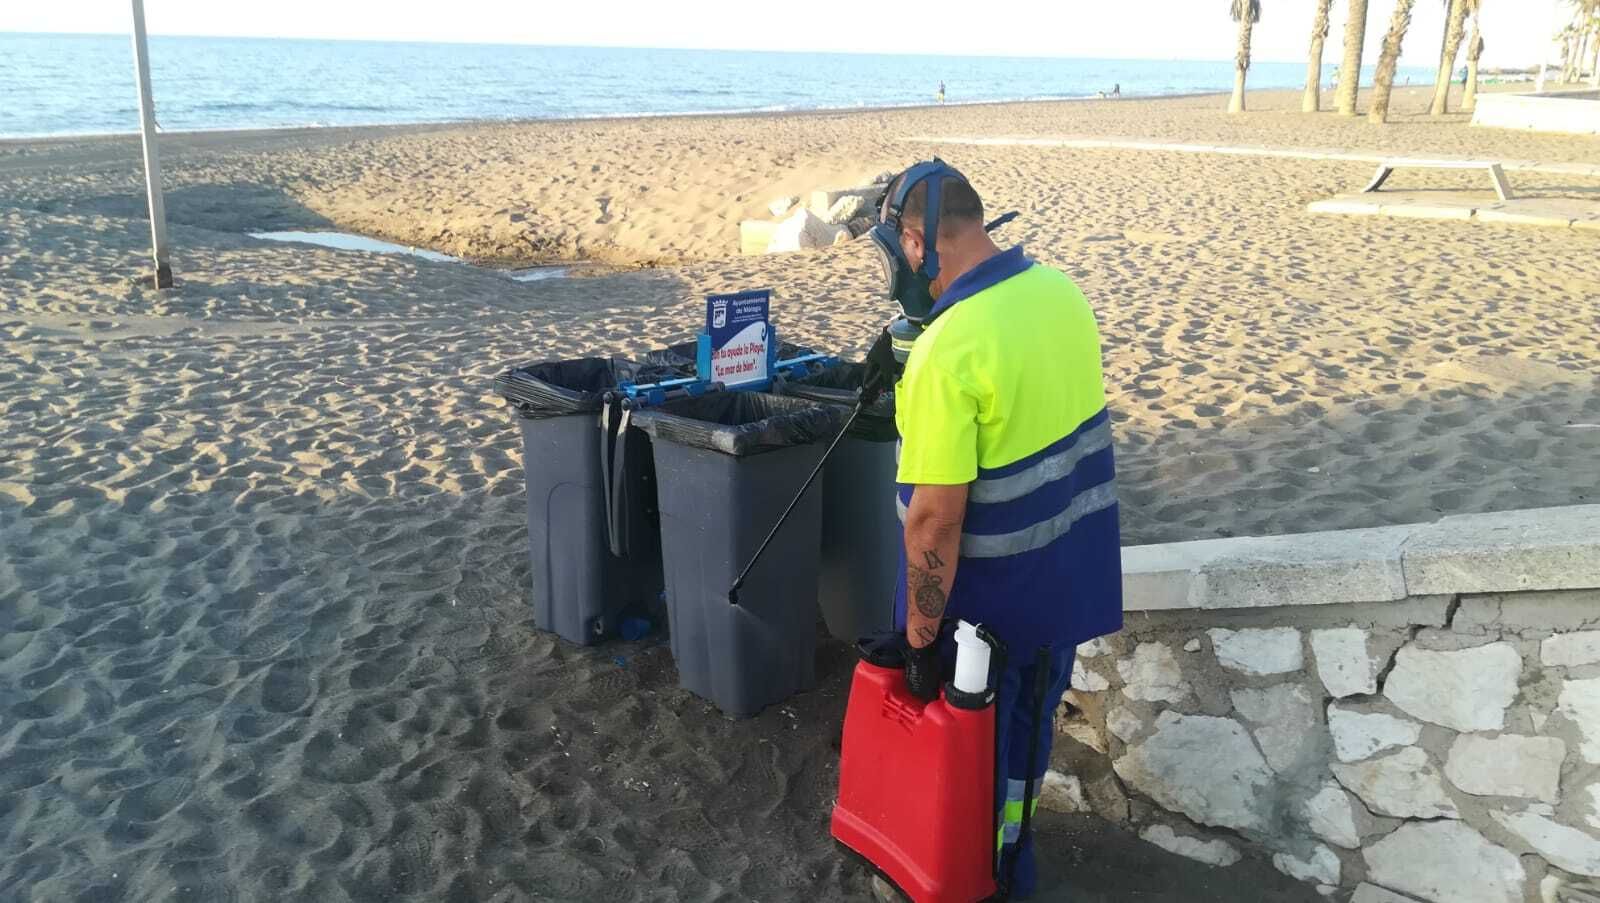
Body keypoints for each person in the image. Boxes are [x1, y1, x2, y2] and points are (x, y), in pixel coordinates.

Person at [862, 161, 1123, 898]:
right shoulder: (1059, 293)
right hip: (1059, 593)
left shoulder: (953, 348)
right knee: (1022, 755)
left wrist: (917, 638)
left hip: (985, 617)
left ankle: (977, 879)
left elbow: (934, 520)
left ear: (915, 243)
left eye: (895, 250)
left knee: (969, 763)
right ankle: (1012, 860)